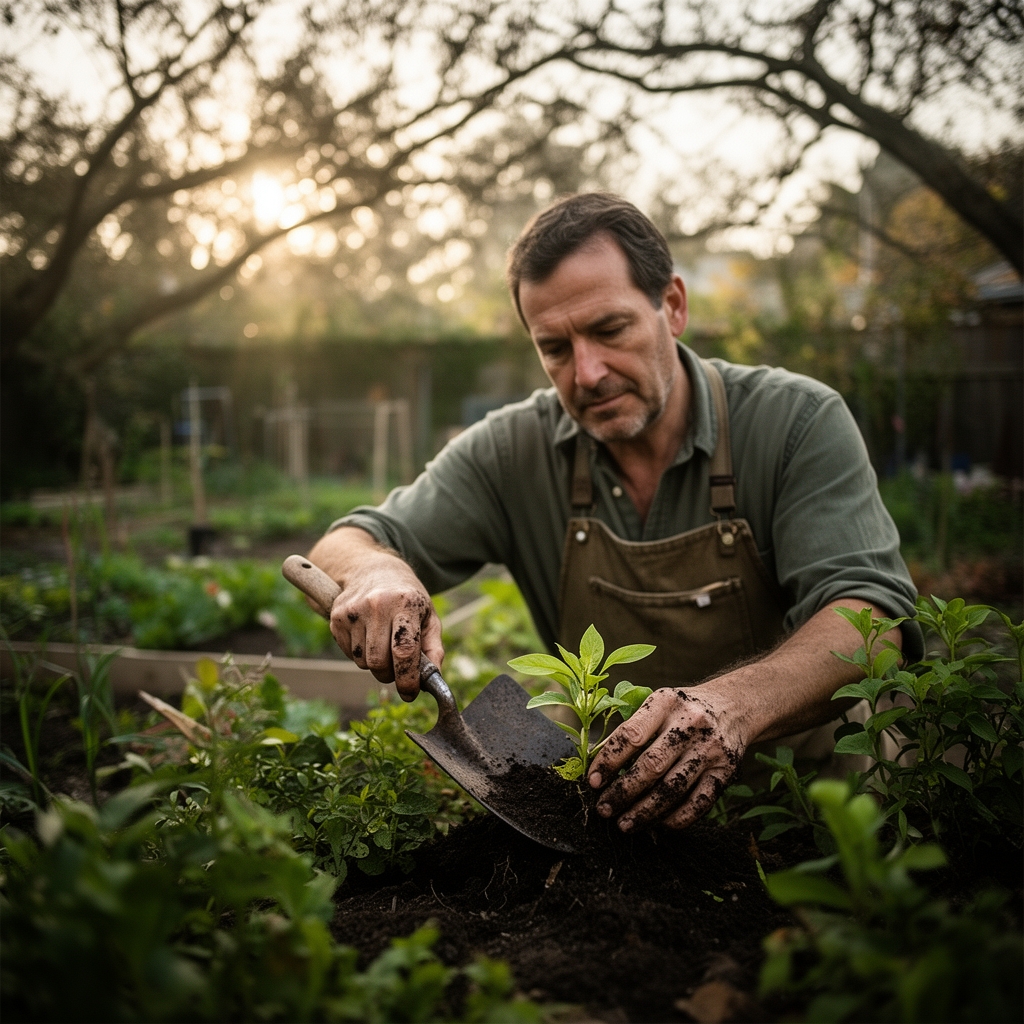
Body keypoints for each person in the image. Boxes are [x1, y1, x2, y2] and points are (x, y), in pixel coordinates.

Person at [309, 192, 921, 833]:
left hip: (804, 819)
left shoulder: (793, 423)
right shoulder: (514, 451)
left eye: (609, 330)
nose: (588, 373)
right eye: (555, 348)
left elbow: (872, 618)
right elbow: (346, 543)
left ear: (673, 306)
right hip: (614, 826)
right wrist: (377, 572)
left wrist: (733, 707)